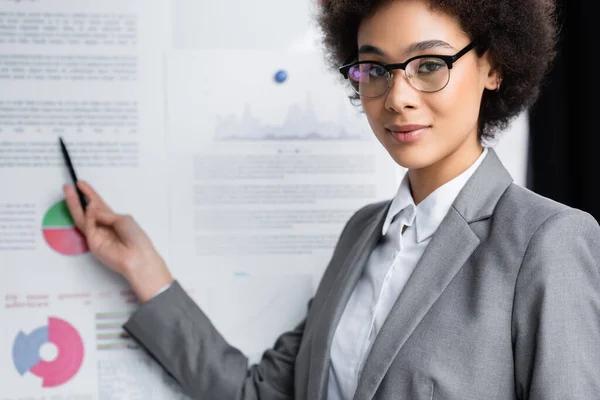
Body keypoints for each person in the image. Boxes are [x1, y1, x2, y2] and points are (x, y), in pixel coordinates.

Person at [63, 0, 600, 398]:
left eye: (429, 65)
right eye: (374, 69)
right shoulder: (362, 233)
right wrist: (146, 272)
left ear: (493, 66)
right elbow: (261, 392)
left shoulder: (545, 240)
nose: (397, 98)